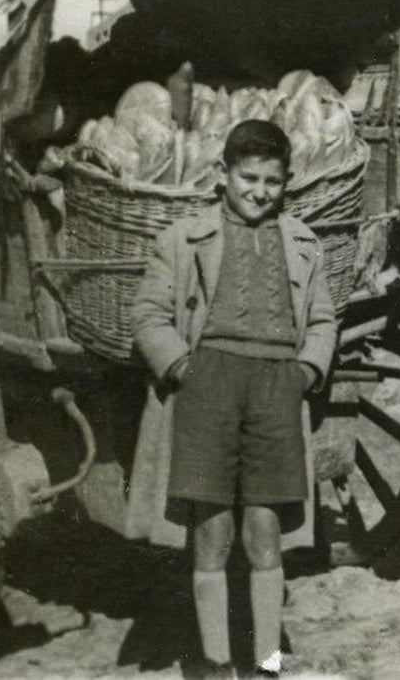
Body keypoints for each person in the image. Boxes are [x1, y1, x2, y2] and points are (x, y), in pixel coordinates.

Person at [132, 120, 337, 677]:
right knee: (212, 532)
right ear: (223, 174)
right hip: (208, 386)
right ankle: (218, 664)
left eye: (272, 181)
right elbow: (148, 314)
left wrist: (304, 373)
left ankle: (268, 664)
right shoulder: (184, 237)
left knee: (265, 532)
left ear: (286, 182)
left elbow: (322, 319)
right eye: (248, 178)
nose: (259, 191)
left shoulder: (301, 242)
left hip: (276, 386)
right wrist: (182, 366)